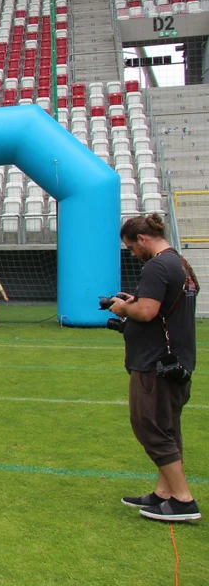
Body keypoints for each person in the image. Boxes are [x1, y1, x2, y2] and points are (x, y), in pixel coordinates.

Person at [108, 213, 200, 522]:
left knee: (150, 426)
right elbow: (162, 306)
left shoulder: (157, 266)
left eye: (132, 248)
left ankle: (184, 500)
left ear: (143, 240)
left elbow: (146, 312)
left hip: (156, 363)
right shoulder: (180, 264)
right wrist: (138, 301)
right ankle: (166, 493)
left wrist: (124, 307)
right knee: (167, 427)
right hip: (176, 360)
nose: (133, 254)